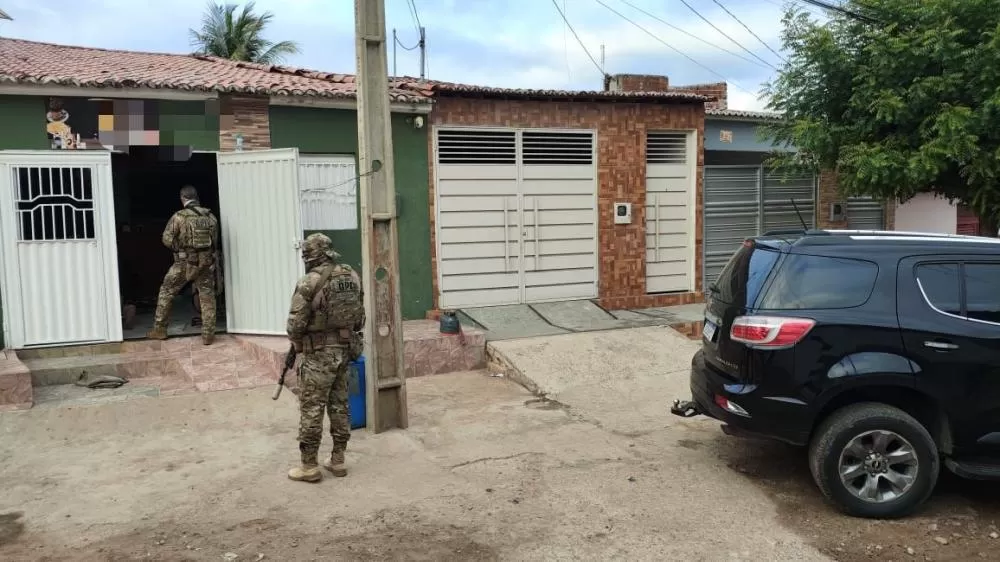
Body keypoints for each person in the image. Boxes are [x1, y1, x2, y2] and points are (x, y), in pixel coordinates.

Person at [285, 233, 364, 483]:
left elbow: (295, 325)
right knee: (340, 404)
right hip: (344, 350)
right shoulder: (352, 276)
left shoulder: (309, 281)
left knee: (312, 407)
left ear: (311, 255)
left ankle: (309, 466)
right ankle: (338, 460)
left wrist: (298, 342)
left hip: (319, 354)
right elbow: (359, 317)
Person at [147, 185, 220, 345]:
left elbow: (166, 239)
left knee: (167, 291)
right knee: (207, 296)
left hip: (183, 263)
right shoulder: (211, 217)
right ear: (196, 197)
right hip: (205, 264)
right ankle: (208, 335)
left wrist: (179, 249)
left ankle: (159, 329)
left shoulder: (179, 217)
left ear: (183, 198)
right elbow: (214, 243)